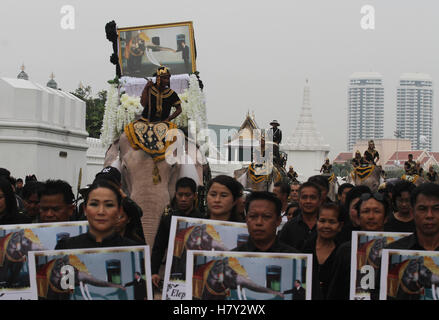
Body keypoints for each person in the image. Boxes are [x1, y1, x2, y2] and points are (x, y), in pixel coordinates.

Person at [327, 191, 390, 300]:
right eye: (366, 211)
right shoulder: (346, 250)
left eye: (377, 211)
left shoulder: (397, 248)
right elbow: (336, 291)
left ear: (386, 218)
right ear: (358, 217)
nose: (371, 216)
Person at [151, 177, 203, 288]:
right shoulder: (168, 219)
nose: (183, 199)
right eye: (180, 195)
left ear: (194, 196)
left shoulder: (202, 220)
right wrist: (154, 271)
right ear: (175, 195)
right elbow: (158, 248)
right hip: (173, 271)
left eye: (187, 195)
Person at [55, 180, 139, 249]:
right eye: (94, 204)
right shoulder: (66, 247)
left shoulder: (135, 249)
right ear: (85, 209)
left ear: (119, 211)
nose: (101, 212)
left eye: (109, 205)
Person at [93, 166, 146, 244]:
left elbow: (138, 212)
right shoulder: (92, 204)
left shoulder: (125, 203)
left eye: (110, 185)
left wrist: (124, 197)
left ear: (119, 186)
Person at [233, 191, 298, 253]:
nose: (259, 222)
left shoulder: (294, 257)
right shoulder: (230, 259)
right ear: (246, 219)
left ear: (278, 221)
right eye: (253, 216)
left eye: (266, 216)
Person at [303, 203, 343, 299]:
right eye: (322, 221)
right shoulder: (304, 248)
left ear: (340, 226)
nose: (326, 226)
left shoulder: (342, 253)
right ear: (316, 222)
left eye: (332, 222)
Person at [386, 183, 439, 251]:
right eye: (422, 209)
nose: (429, 215)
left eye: (436, 208)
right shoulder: (394, 251)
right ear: (412, 211)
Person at [279, 182, 321, 251]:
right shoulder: (289, 227)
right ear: (299, 200)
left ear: (319, 200)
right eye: (304, 197)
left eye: (312, 197)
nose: (308, 201)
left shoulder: (327, 226)